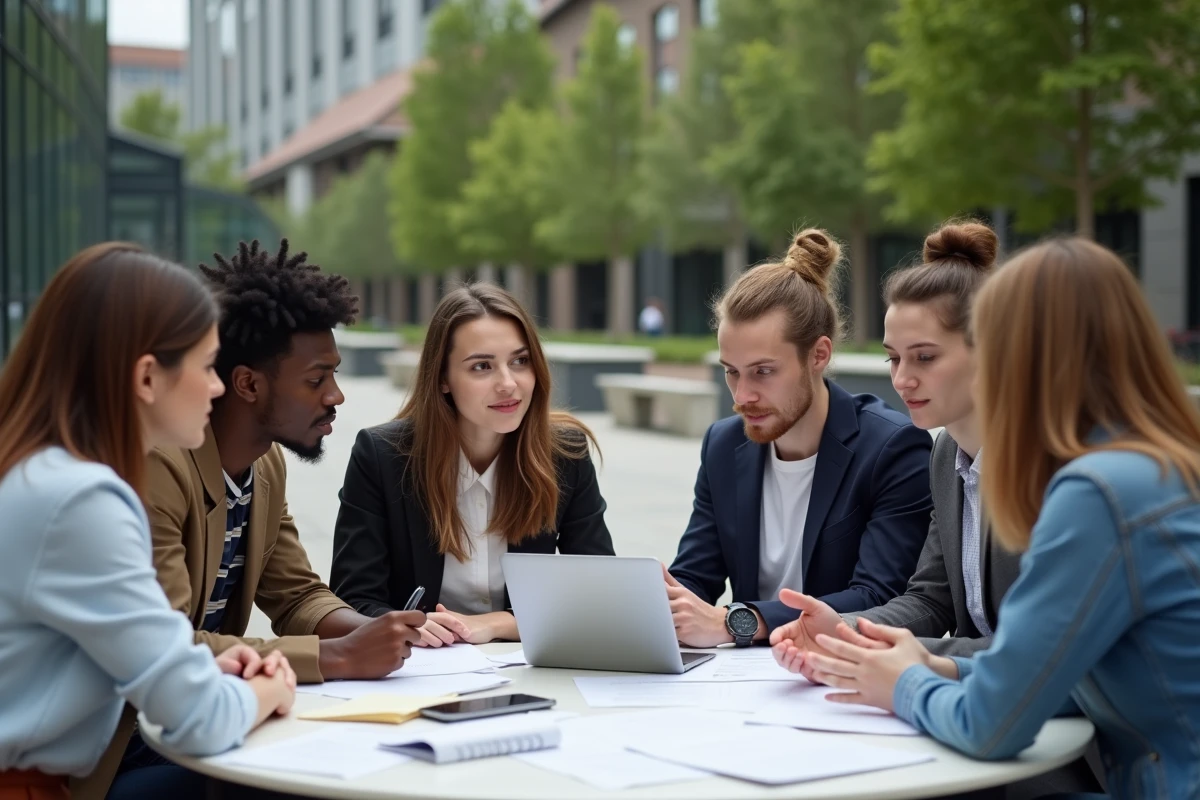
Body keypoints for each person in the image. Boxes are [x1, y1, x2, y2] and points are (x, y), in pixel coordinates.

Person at [800, 238, 1200, 798]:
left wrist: (906, 681)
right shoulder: (1153, 463)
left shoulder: (1097, 491)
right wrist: (902, 656)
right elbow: (1072, 672)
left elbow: (991, 726)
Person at [87, 240, 425, 799]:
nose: (336, 395)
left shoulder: (264, 465)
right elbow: (167, 649)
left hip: (208, 718)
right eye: (317, 379)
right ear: (248, 384)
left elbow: (295, 595)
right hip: (128, 747)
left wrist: (375, 630)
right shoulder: (157, 468)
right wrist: (337, 657)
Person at [0, 243, 295, 800]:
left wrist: (196, 670)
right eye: (207, 365)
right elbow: (201, 716)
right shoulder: (81, 500)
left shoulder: (40, 473)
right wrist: (268, 689)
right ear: (146, 378)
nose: (216, 386)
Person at [666, 229, 933, 647]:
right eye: (731, 371)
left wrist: (742, 620)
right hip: (738, 683)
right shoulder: (722, 445)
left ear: (819, 356)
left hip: (840, 671)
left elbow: (880, 595)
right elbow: (695, 578)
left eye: (763, 371)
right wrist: (660, 603)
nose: (742, 396)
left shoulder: (892, 448)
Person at [769, 221, 1010, 668]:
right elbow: (931, 599)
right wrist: (844, 629)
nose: (902, 379)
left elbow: (1036, 650)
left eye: (925, 357)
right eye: (894, 358)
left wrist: (898, 655)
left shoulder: (1048, 465)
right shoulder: (945, 456)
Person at [331, 283, 614, 647]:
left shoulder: (564, 454)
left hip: (526, 668)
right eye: (482, 366)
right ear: (443, 378)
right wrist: (405, 624)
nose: (508, 384)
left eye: (520, 361)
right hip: (420, 668)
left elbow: (602, 595)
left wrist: (498, 623)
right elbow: (352, 600)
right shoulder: (383, 455)